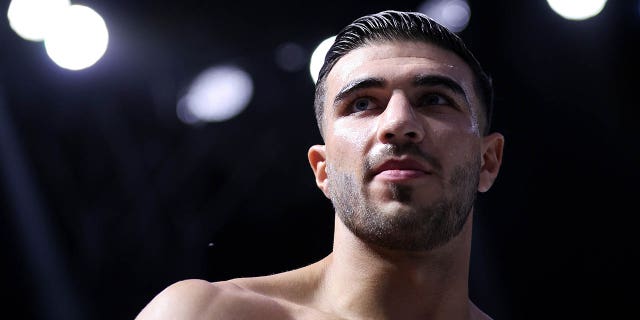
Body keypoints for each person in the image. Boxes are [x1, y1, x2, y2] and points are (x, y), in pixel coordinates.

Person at [135, 9, 504, 320]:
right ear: (322, 169)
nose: (398, 123)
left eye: (435, 99)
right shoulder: (206, 314)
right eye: (362, 104)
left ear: (488, 161)